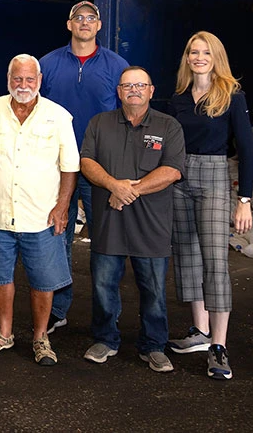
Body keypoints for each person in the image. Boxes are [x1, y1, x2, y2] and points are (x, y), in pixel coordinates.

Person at [0, 54, 78, 366]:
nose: (23, 85)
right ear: (8, 80)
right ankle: (4, 333)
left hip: (41, 216)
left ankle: (41, 337)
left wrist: (63, 206)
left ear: (39, 81)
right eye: (18, 79)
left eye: (30, 79)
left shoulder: (58, 116)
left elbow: (70, 166)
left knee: (43, 280)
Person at [79, 67, 185, 372]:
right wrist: (114, 185)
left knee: (153, 289)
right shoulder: (100, 123)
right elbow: (86, 161)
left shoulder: (169, 126)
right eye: (127, 86)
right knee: (102, 284)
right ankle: (105, 339)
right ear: (119, 91)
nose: (134, 90)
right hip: (109, 220)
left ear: (151, 90)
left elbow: (173, 170)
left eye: (140, 85)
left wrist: (129, 190)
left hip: (152, 224)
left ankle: (153, 345)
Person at [166, 31, 253, 381]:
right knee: (186, 254)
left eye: (205, 52)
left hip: (215, 175)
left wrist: (244, 200)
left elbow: (246, 149)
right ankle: (200, 331)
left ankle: (219, 345)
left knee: (215, 259)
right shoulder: (178, 98)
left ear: (216, 56)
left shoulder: (232, 95)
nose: (198, 57)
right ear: (187, 57)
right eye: (193, 51)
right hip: (179, 176)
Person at [39, 1, 129, 334]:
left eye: (91, 18)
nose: (85, 23)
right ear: (69, 24)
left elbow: (129, 116)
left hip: (100, 167)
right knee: (56, 237)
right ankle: (57, 309)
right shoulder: (47, 64)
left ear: (100, 25)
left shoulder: (117, 66)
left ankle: (107, 315)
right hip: (56, 166)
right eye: (79, 17)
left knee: (106, 244)